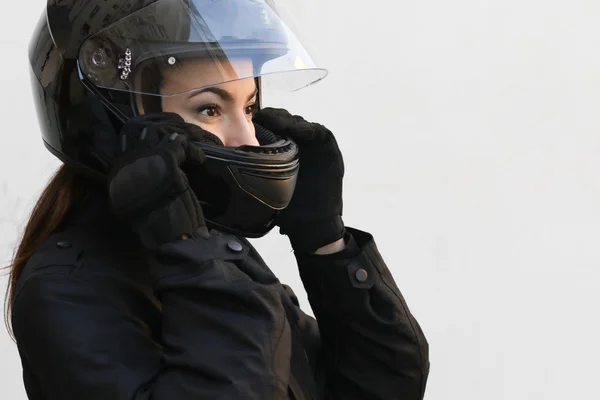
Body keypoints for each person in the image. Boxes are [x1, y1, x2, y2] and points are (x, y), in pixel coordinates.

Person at [5, 0, 430, 399]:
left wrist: (324, 241)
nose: (247, 140)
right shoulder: (66, 290)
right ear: (122, 123)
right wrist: (190, 251)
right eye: (210, 109)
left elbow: (382, 386)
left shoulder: (206, 248)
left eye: (248, 108)